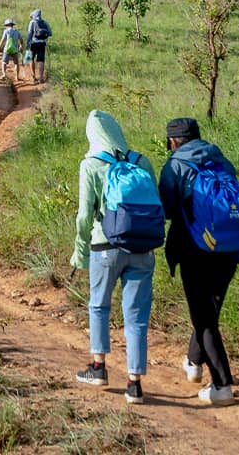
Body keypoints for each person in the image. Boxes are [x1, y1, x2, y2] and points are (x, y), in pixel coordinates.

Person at [158, 117, 239, 406]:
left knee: (204, 319)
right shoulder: (220, 159)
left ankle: (222, 385)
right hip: (231, 246)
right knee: (208, 311)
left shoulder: (175, 165)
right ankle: (194, 362)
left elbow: (168, 209)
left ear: (173, 141)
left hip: (196, 249)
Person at [72, 110, 161, 404]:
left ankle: (98, 368)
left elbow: (85, 215)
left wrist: (79, 252)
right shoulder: (141, 161)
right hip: (142, 247)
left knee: (99, 305)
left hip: (105, 246)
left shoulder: (91, 164)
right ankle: (134, 384)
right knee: (136, 317)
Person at [27, 9, 52, 83]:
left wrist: (27, 43)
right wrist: (44, 37)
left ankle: (33, 76)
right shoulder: (45, 22)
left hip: (33, 43)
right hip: (42, 44)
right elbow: (50, 33)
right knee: (41, 60)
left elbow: (29, 34)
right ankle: (41, 78)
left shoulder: (32, 22)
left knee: (31, 59)